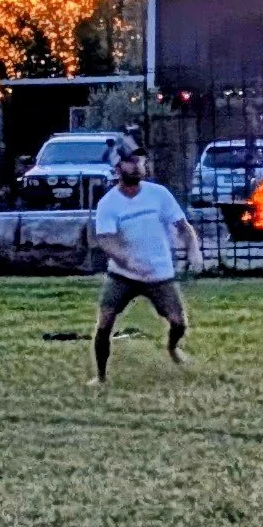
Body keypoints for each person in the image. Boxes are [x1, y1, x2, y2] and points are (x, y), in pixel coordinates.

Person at [90, 135, 200, 381]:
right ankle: (100, 377)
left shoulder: (158, 194)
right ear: (118, 168)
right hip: (123, 274)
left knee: (178, 322)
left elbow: (183, 227)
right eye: (130, 161)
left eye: (139, 160)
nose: (137, 165)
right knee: (105, 322)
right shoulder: (109, 203)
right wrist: (126, 260)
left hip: (158, 274)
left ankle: (172, 348)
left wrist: (193, 250)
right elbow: (106, 241)